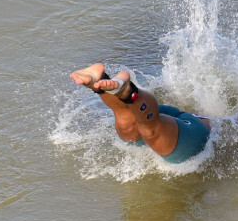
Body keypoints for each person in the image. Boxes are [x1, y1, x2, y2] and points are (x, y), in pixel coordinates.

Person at [70, 63, 211, 164]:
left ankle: (98, 81)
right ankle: (127, 91)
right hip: (194, 130)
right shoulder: (226, 127)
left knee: (127, 124)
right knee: (150, 131)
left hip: (177, 120)